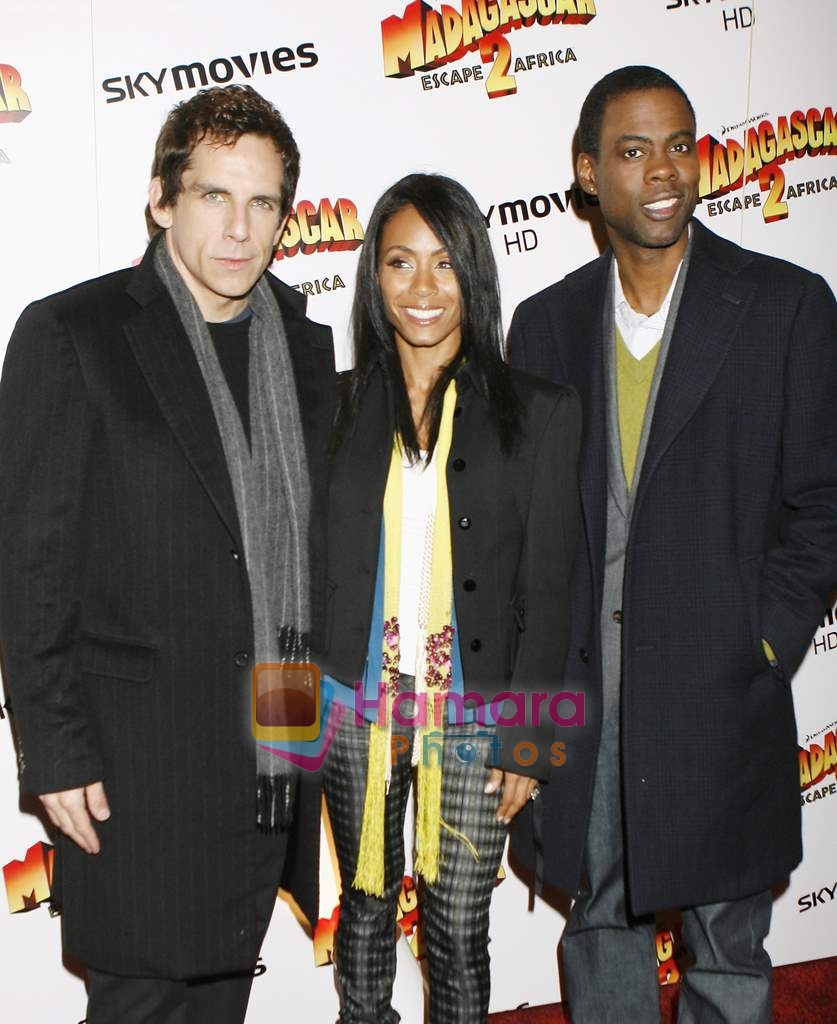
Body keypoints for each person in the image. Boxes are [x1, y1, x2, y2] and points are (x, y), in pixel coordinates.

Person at [508, 66, 837, 1023]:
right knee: (597, 921)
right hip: (583, 696)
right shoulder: (545, 325)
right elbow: (529, 537)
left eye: (680, 144)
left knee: (726, 942)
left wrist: (762, 642)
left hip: (719, 691)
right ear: (585, 172)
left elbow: (821, 505)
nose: (663, 171)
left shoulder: (783, 306)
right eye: (632, 149)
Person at [0, 84, 334, 1023]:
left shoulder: (304, 350)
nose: (240, 227)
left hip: (267, 751)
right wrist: (55, 752)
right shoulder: (74, 334)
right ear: (161, 199)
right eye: (214, 196)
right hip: (132, 768)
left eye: (263, 202)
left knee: (220, 1006)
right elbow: (30, 568)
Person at [321, 173, 581, 1023]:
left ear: (473, 271)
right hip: (352, 710)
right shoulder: (333, 407)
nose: (423, 289)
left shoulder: (539, 413)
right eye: (400, 263)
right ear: (374, 279)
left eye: (443, 263)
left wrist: (530, 743)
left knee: (458, 927)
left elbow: (551, 587)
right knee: (361, 907)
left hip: (477, 720)